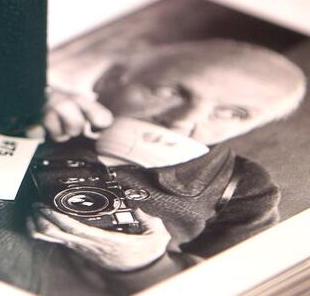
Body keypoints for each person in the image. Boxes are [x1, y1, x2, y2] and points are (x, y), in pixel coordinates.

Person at [28, 39, 306, 291]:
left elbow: (235, 286)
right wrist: (12, 103)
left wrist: (145, 267)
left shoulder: (247, 187)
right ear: (109, 80)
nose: (183, 120)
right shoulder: (40, 108)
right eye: (171, 92)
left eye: (234, 113)